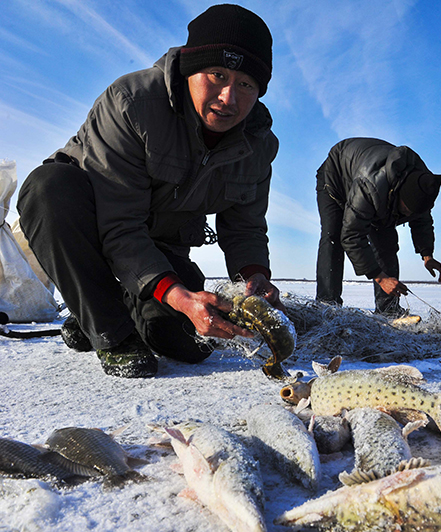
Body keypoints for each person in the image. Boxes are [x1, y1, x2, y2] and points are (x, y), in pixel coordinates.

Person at [17, 4, 283, 379]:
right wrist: (175, 294)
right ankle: (111, 331)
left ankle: (105, 308)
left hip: (160, 243)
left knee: (184, 342)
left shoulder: (260, 144)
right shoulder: (133, 102)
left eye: (246, 84)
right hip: (96, 225)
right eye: (217, 74)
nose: (229, 98)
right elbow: (120, 224)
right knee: (48, 189)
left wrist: (254, 274)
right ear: (191, 68)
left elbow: (246, 225)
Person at [315, 137, 441, 317]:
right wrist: (380, 277)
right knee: (334, 235)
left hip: (378, 189)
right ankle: (327, 304)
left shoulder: (421, 183)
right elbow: (351, 236)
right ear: (397, 194)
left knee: (386, 243)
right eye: (405, 211)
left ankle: (388, 309)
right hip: (336, 177)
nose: (407, 216)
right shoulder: (370, 185)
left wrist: (427, 254)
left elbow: (422, 220)